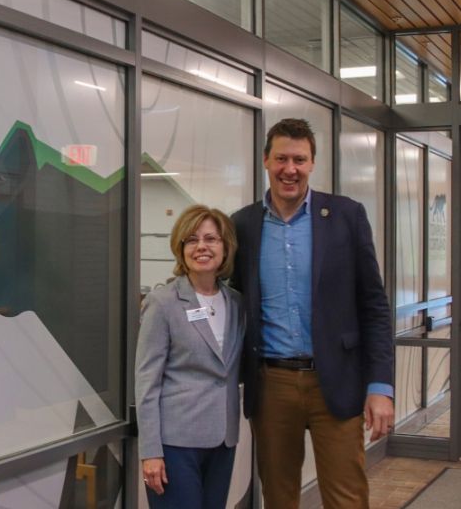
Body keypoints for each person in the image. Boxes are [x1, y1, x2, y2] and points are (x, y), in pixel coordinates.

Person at [231, 118, 394, 508]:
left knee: (346, 496)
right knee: (279, 496)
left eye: (300, 160)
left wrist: (380, 387)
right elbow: (231, 299)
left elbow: (374, 306)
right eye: (282, 158)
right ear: (266, 161)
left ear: (312, 163)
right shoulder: (243, 225)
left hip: (336, 380)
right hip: (271, 386)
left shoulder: (346, 216)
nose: (291, 169)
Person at [135, 204, 245, 509]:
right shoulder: (163, 303)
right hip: (175, 444)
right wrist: (151, 451)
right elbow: (146, 382)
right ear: (180, 248)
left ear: (225, 247)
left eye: (211, 239)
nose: (202, 247)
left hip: (223, 440)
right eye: (192, 240)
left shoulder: (236, 303)